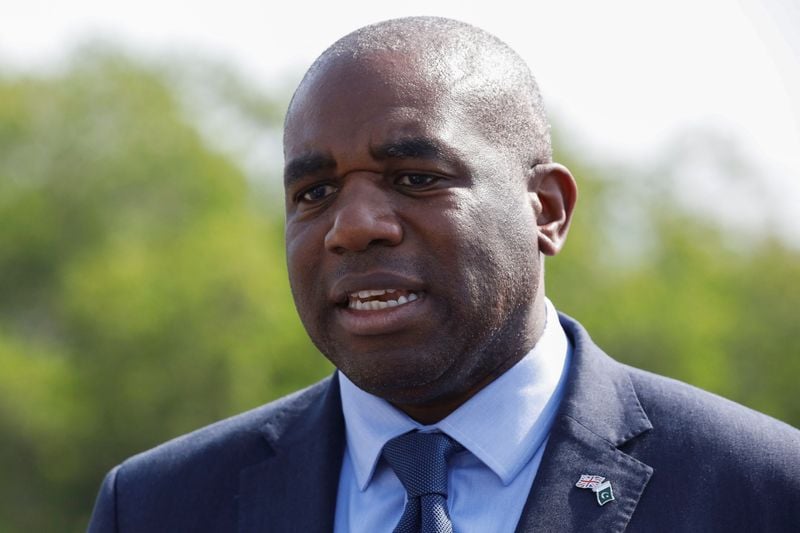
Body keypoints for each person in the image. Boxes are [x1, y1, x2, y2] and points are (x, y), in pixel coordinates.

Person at [88, 17, 800, 532]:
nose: (352, 226)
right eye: (314, 192)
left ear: (547, 209)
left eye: (416, 177)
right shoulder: (155, 506)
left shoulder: (762, 491)